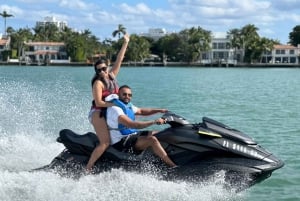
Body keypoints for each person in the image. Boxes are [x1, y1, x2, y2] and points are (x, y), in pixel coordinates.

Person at [86, 33, 130, 171]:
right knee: (105, 142)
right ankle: (88, 168)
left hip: (110, 112)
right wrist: (116, 105)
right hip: (98, 113)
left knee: (122, 135)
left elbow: (120, 59)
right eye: (99, 70)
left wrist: (125, 43)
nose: (102, 72)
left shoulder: (111, 76)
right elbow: (99, 103)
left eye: (104, 68)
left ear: (108, 67)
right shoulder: (98, 84)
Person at [106, 85, 177, 167]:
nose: (127, 97)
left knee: (160, 133)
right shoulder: (116, 109)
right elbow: (132, 124)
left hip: (132, 135)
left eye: (129, 95)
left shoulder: (128, 105)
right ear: (118, 95)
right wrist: (154, 122)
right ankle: (172, 166)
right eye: (124, 94)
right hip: (121, 141)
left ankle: (167, 155)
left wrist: (159, 110)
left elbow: (141, 111)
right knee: (152, 140)